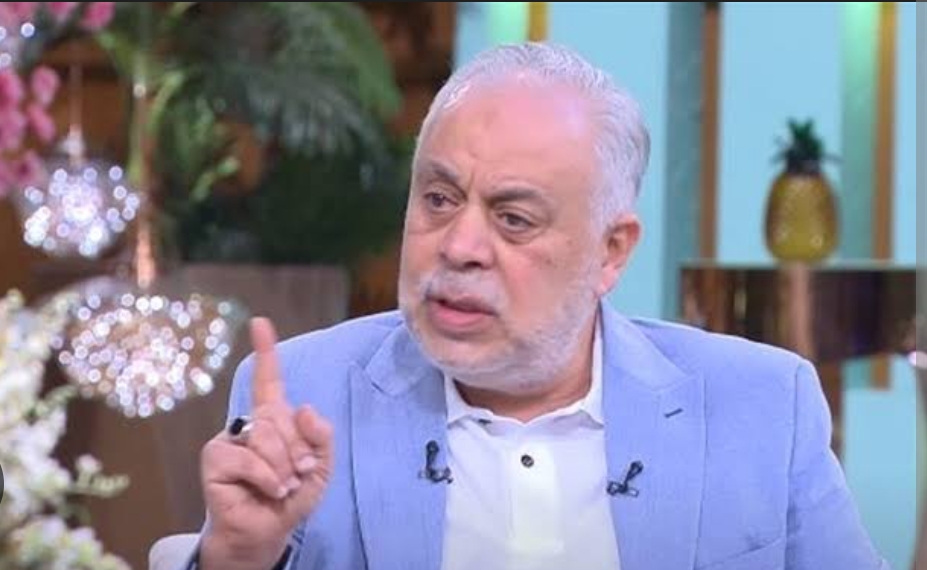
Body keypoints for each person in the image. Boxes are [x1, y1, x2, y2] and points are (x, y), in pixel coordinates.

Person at [186, 42, 889, 570]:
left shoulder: (762, 405)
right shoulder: (305, 397)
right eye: (439, 199)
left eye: (513, 219)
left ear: (610, 252)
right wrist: (237, 558)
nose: (459, 246)